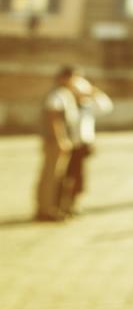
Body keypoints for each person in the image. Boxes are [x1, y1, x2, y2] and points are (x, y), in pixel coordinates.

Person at [58, 75, 113, 216]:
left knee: (79, 176)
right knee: (66, 176)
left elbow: (106, 107)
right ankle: (62, 204)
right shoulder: (68, 104)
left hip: (84, 145)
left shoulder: (88, 105)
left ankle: (73, 204)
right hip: (71, 145)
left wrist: (94, 92)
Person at [35, 65, 80, 222]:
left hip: (61, 140)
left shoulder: (65, 94)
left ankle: (52, 207)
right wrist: (61, 140)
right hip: (55, 141)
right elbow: (55, 119)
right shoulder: (56, 95)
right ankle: (45, 209)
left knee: (57, 176)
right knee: (51, 175)